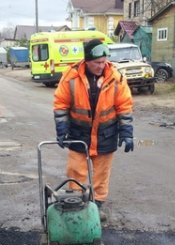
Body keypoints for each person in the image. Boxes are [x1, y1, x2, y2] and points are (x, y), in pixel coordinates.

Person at [53, 39, 134, 221]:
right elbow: (61, 104)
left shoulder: (116, 77)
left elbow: (124, 107)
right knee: (76, 171)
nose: (101, 66)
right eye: (97, 63)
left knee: (101, 175)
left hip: (106, 134)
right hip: (78, 134)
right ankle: (75, 204)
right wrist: (62, 129)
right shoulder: (71, 77)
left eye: (104, 61)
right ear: (87, 61)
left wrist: (127, 133)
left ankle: (96, 206)